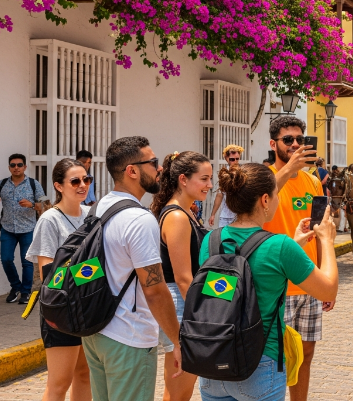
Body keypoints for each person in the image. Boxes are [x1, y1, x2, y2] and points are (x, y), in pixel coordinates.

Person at [198, 163, 339, 401]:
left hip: (214, 362)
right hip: (259, 363)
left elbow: (248, 267)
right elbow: (328, 290)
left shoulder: (211, 240)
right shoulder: (280, 246)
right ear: (265, 200)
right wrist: (326, 241)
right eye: (276, 194)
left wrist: (294, 244)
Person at [81, 136, 183, 401]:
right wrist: (177, 340)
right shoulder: (139, 219)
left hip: (97, 332)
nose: (160, 168)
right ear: (132, 171)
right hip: (129, 336)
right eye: (153, 162)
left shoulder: (98, 207)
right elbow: (155, 290)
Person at [264, 116, 328, 401]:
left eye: (300, 139)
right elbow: (260, 199)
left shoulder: (313, 181)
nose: (295, 144)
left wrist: (324, 277)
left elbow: (321, 229)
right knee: (276, 355)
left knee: (306, 353)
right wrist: (289, 169)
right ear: (273, 144)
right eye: (288, 139)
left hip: (308, 279)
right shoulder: (263, 177)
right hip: (277, 283)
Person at [26, 158, 92, 401]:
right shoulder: (50, 220)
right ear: (58, 186)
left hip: (89, 307)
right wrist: (92, 271)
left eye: (86, 179)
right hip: (61, 309)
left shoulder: (91, 215)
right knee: (59, 382)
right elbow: (49, 275)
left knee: (85, 374)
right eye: (75, 181)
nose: (82, 185)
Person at [150, 151, 213, 401]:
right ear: (183, 179)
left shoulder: (186, 212)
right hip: (182, 304)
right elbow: (183, 278)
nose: (210, 185)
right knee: (179, 392)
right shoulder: (177, 216)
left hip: (185, 302)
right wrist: (206, 313)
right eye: (204, 179)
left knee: (178, 391)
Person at [1, 153, 45, 304]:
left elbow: (46, 205)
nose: (16, 168)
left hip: (27, 229)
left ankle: (25, 292)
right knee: (6, 259)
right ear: (9, 167)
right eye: (13, 165)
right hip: (7, 229)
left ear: (25, 167)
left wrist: (32, 205)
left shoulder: (34, 184)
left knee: (27, 262)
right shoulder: (3, 184)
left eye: (19, 165)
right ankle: (16, 287)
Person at [209, 144, 243, 228]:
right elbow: (220, 195)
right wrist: (213, 214)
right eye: (232, 159)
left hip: (240, 215)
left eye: (237, 159)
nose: (235, 161)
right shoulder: (223, 174)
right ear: (226, 158)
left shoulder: (243, 172)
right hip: (225, 216)